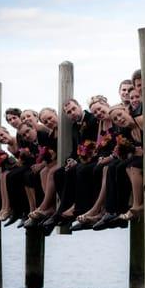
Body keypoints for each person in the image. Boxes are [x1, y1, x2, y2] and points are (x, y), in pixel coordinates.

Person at [41, 98, 99, 233]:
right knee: (59, 173)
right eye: (68, 112)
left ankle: (78, 207)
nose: (72, 113)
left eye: (73, 109)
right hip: (82, 159)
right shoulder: (74, 126)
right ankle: (65, 207)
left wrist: (78, 161)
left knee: (78, 170)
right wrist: (70, 160)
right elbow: (75, 150)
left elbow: (95, 144)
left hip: (93, 158)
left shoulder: (91, 119)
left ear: (79, 106)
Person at [70, 95, 118, 231]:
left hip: (117, 156)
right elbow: (99, 145)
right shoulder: (101, 123)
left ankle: (98, 209)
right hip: (104, 156)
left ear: (106, 104)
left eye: (99, 109)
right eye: (95, 112)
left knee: (102, 169)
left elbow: (121, 141)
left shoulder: (115, 118)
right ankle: (92, 209)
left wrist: (110, 157)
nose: (98, 113)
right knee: (89, 168)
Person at [0, 126, 19, 222]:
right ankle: (4, 207)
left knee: (6, 175)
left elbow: (22, 160)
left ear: (7, 131)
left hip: (27, 165)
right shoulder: (9, 147)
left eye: (2, 135)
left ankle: (8, 208)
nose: (1, 138)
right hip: (20, 165)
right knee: (3, 175)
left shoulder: (17, 140)